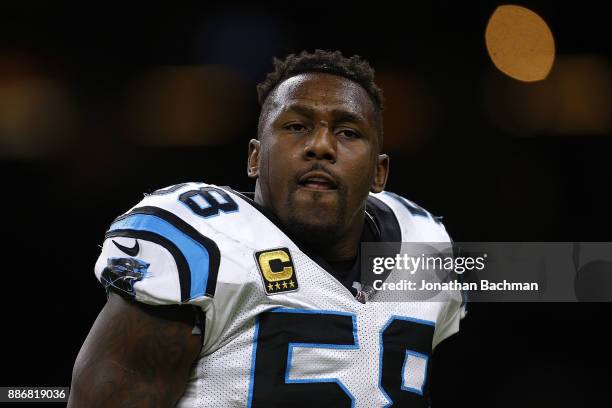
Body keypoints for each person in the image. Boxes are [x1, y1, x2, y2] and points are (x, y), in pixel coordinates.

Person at [68, 49, 465, 407]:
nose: (321, 146)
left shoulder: (425, 245)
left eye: (347, 131)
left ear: (380, 173)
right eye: (296, 126)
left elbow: (524, 285)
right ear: (255, 158)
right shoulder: (204, 241)